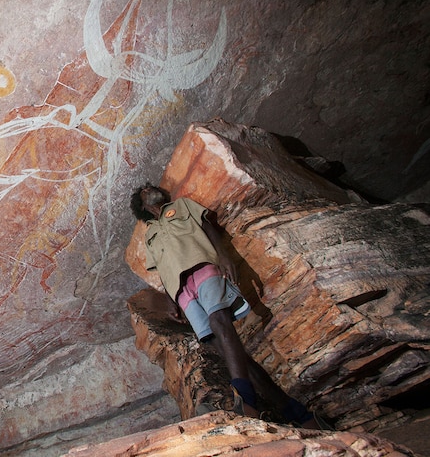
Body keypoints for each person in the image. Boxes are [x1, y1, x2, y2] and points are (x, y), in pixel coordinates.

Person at [130, 183, 324, 429]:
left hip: (203, 268)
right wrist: (172, 301)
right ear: (142, 206)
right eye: (144, 190)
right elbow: (163, 269)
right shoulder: (149, 235)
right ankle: (295, 411)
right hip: (182, 292)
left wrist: (223, 256)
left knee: (219, 320)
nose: (149, 187)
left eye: (150, 186)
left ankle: (244, 399)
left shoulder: (180, 206)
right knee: (227, 350)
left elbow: (208, 227)